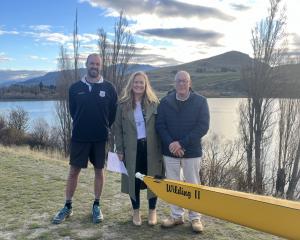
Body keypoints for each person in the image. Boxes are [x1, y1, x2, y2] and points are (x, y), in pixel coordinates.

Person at [52, 53, 117, 224]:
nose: (94, 66)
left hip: (100, 138)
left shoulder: (109, 88)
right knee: (73, 172)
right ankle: (68, 206)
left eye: (97, 64)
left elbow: (112, 115)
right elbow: (73, 112)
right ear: (86, 65)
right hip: (79, 137)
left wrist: (102, 126)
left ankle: (96, 205)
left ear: (101, 66)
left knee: (99, 172)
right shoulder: (75, 88)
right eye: (91, 63)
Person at [155, 70, 209, 233]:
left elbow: (203, 126)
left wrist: (182, 143)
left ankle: (195, 218)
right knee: (173, 184)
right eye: (179, 81)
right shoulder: (165, 102)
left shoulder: (200, 102)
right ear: (174, 83)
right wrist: (172, 144)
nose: (181, 84)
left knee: (193, 184)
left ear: (190, 83)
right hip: (169, 150)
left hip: (191, 151)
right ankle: (176, 216)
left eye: (185, 81)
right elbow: (160, 125)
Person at [114, 71, 163, 226]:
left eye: (141, 82)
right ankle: (136, 212)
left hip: (151, 149)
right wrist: (120, 150)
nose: (138, 85)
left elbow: (161, 127)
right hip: (131, 149)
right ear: (131, 84)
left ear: (146, 85)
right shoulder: (122, 105)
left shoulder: (154, 103)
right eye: (136, 82)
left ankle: (152, 211)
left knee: (153, 180)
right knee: (133, 180)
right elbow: (118, 129)